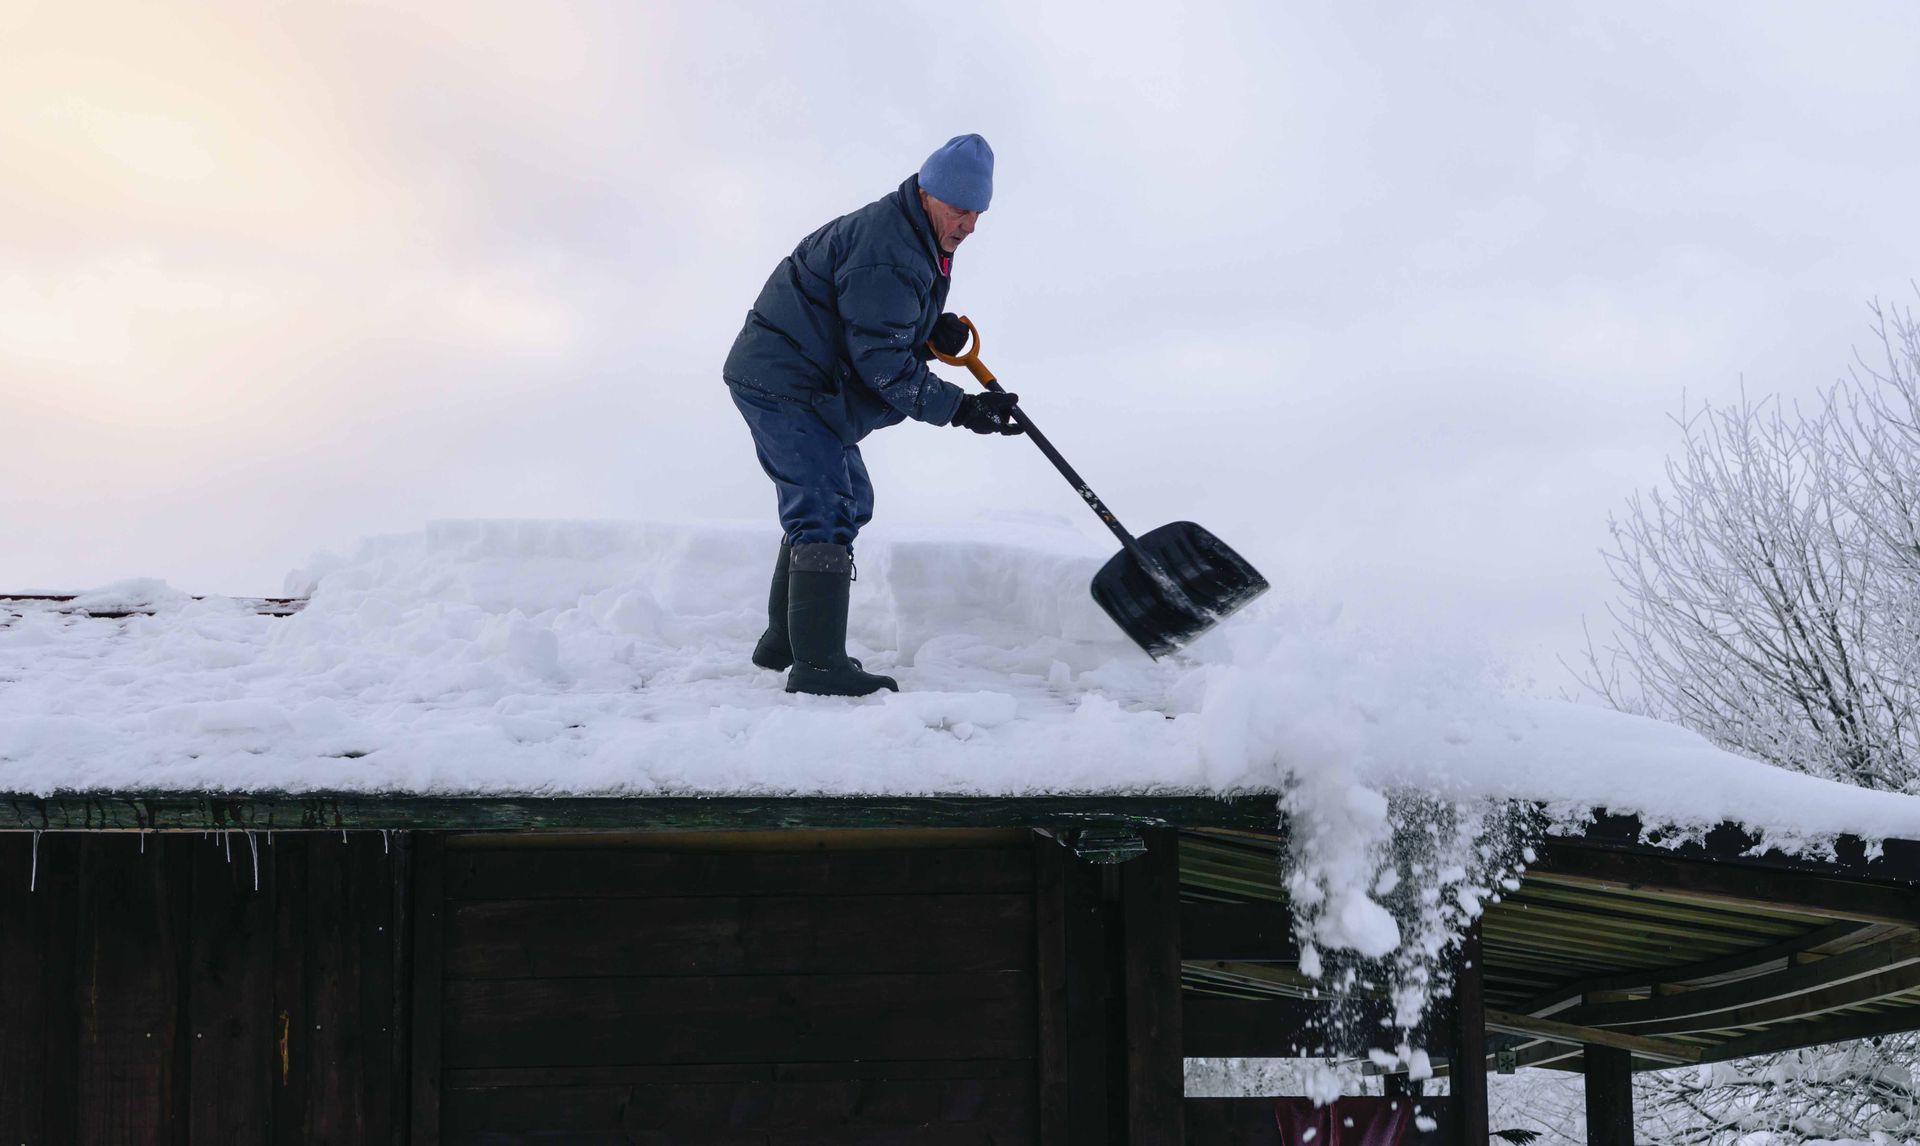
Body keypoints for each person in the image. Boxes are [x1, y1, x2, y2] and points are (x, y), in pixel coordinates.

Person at [722, 134, 1023, 697]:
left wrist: (931, 330)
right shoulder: (890, 250)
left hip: (806, 377)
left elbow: (869, 320)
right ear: (930, 193)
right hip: (788, 380)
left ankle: (784, 642)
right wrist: (961, 408)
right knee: (826, 506)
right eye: (961, 210)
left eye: (979, 213)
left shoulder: (913, 233)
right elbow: (881, 364)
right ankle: (817, 667)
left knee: (845, 499)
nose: (970, 225)